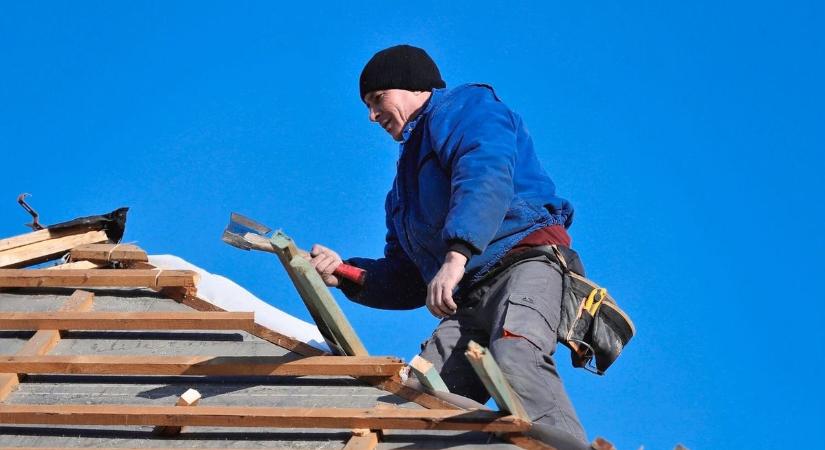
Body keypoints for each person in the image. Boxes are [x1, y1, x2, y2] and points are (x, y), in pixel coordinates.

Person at [308, 44, 588, 444]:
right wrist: (345, 273)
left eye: (376, 99)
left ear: (409, 86)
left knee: (515, 358)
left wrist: (456, 256)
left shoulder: (467, 108)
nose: (372, 116)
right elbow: (409, 277)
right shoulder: (404, 192)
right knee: (423, 395)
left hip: (523, 265)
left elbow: (485, 176)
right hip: (469, 296)